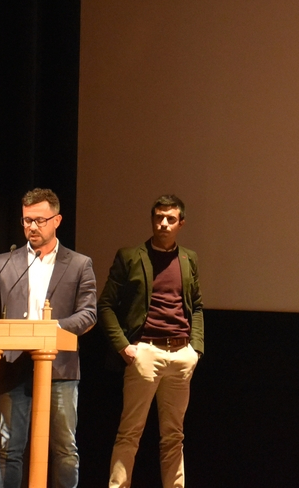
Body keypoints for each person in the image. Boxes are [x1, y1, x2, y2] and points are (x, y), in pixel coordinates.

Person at [0, 188, 98, 488]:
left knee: (64, 449)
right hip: (14, 365)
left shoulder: (80, 264)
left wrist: (49, 329)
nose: (32, 226)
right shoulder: (4, 262)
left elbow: (88, 315)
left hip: (60, 368)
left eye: (40, 220)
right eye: (27, 220)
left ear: (57, 220)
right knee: (9, 449)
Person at [99, 195, 204, 488]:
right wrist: (124, 346)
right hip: (145, 352)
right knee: (130, 432)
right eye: (159, 217)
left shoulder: (188, 258)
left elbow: (196, 305)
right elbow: (105, 305)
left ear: (181, 223)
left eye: (171, 219)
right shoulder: (130, 256)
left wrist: (195, 349)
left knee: (174, 436)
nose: (164, 224)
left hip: (181, 354)